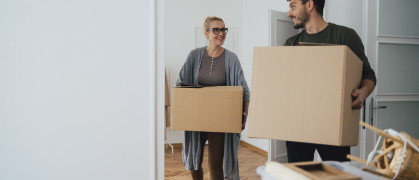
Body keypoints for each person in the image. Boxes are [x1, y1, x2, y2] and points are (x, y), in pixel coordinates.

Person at [284, 0, 377, 162]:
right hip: (298, 125)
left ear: (310, 5)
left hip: (333, 124)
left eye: (293, 6)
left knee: (338, 174)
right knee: (298, 175)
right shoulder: (291, 44)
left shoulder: (344, 36)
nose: (289, 13)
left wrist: (362, 93)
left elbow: (368, 74)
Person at [177, 16, 250, 180]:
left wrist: (244, 115)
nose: (221, 33)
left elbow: (244, 90)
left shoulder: (231, 58)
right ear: (206, 33)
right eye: (216, 30)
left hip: (219, 119)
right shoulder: (194, 55)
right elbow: (180, 84)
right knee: (195, 163)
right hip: (196, 118)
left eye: (223, 29)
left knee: (216, 163)